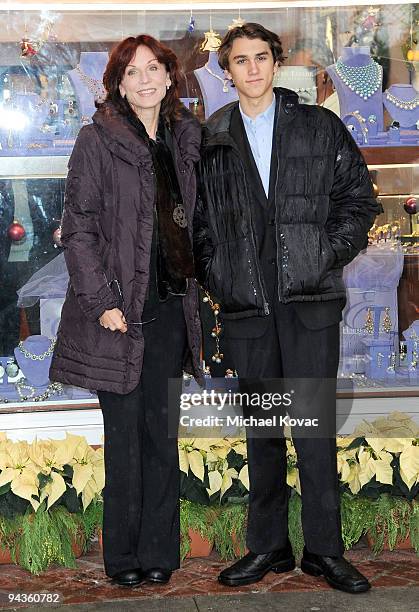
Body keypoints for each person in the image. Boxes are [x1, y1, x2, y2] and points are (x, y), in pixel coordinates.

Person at [193, 23, 380, 594]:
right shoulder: (213, 138)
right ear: (226, 71)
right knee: (264, 431)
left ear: (277, 64)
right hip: (248, 308)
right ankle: (268, 548)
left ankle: (324, 551)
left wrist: (326, 253)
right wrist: (219, 274)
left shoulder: (319, 126)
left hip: (309, 304)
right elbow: (199, 223)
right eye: (241, 60)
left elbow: (359, 200)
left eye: (262, 58)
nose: (252, 69)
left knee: (315, 430)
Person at [50, 35, 202, 587]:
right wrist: (103, 303)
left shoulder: (187, 137)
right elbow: (79, 228)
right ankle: (124, 558)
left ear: (169, 76)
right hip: (119, 315)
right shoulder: (96, 140)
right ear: (117, 82)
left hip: (171, 309)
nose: (144, 79)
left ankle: (160, 552)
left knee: (163, 436)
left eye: (153, 68)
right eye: (131, 71)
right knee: (125, 438)